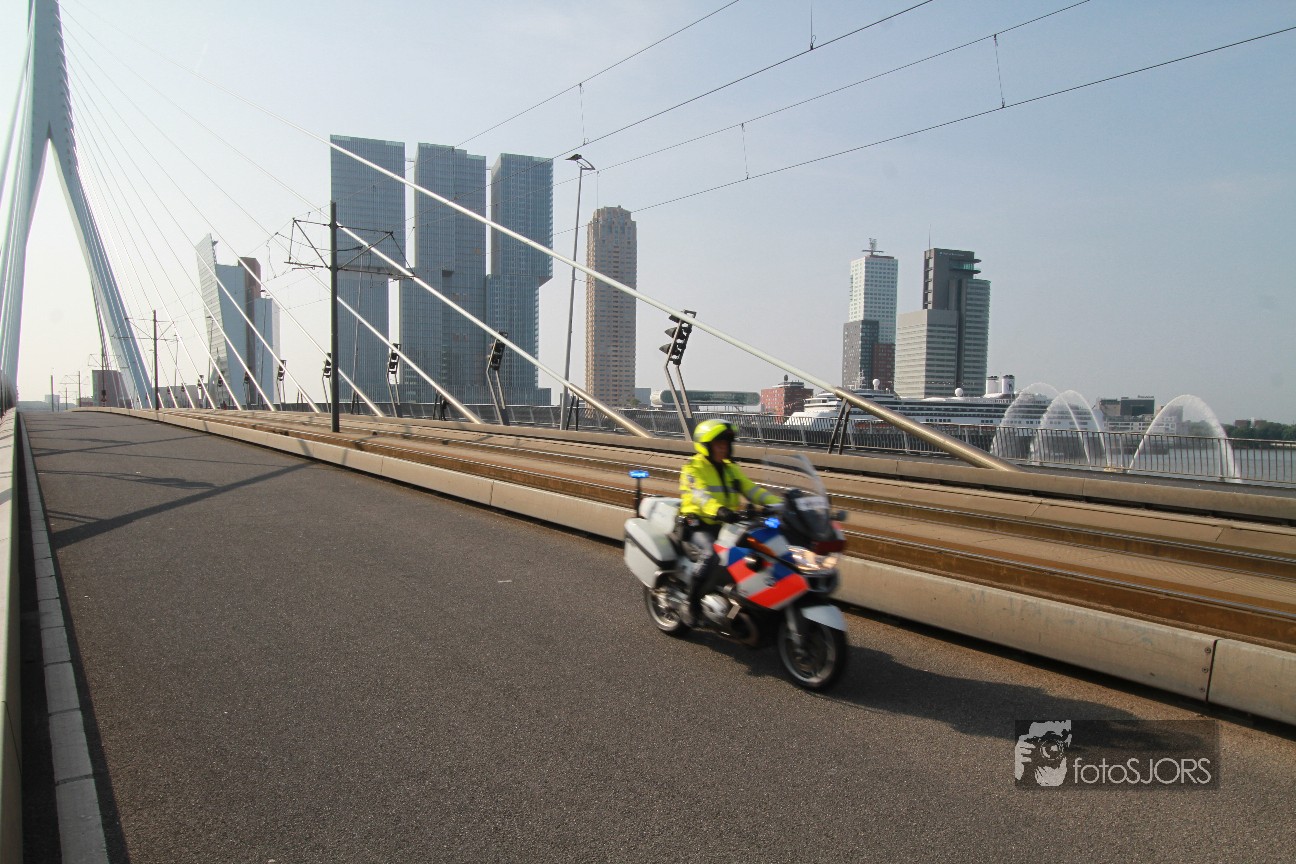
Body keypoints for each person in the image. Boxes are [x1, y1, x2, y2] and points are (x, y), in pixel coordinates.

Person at [678, 419, 783, 624]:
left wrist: (780, 504)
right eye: (718, 444)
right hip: (698, 523)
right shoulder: (693, 468)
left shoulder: (730, 468)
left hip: (726, 523)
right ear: (706, 446)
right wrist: (719, 510)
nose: (723, 448)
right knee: (711, 554)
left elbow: (752, 490)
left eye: (726, 444)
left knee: (756, 550)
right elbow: (700, 495)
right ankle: (691, 602)